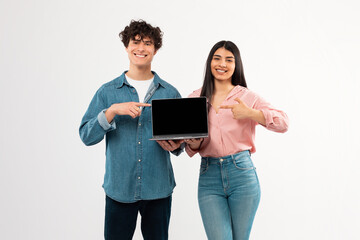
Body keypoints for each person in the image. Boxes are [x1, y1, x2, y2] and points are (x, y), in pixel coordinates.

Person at [79, 20, 183, 240]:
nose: (141, 48)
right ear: (126, 47)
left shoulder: (170, 93)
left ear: (156, 49)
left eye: (147, 43)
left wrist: (177, 145)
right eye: (135, 42)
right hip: (119, 190)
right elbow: (86, 136)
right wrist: (112, 111)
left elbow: (178, 144)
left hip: (158, 190)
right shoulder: (107, 92)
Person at [184, 40, 289, 240]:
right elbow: (191, 146)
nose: (222, 64)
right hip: (209, 176)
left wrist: (251, 113)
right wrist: (193, 143)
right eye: (217, 58)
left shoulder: (246, 97)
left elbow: (284, 123)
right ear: (209, 62)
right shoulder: (195, 98)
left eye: (228, 60)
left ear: (236, 65)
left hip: (242, 174)